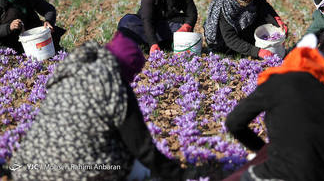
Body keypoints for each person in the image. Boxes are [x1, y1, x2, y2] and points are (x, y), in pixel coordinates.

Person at [10, 30, 198, 180]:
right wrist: (179, 174)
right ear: (126, 69)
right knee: (139, 170)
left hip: (28, 170)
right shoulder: (115, 86)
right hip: (79, 173)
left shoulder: (68, 73)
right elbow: (142, 148)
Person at [225, 34, 324, 181]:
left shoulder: (276, 83)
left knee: (246, 177)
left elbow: (234, 122)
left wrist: (262, 150)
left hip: (283, 173)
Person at [203, 0, 287, 59]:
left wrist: (277, 21)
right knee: (232, 52)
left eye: (251, 0)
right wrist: (257, 52)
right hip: (223, 40)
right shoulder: (224, 9)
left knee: (261, 17)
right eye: (246, 1)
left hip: (243, 27)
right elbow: (230, 38)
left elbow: (264, 7)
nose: (249, 2)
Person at [0, 0, 64, 53]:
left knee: (50, 38)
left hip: (29, 27)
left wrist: (49, 21)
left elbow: (48, 9)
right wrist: (9, 27)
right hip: (6, 37)